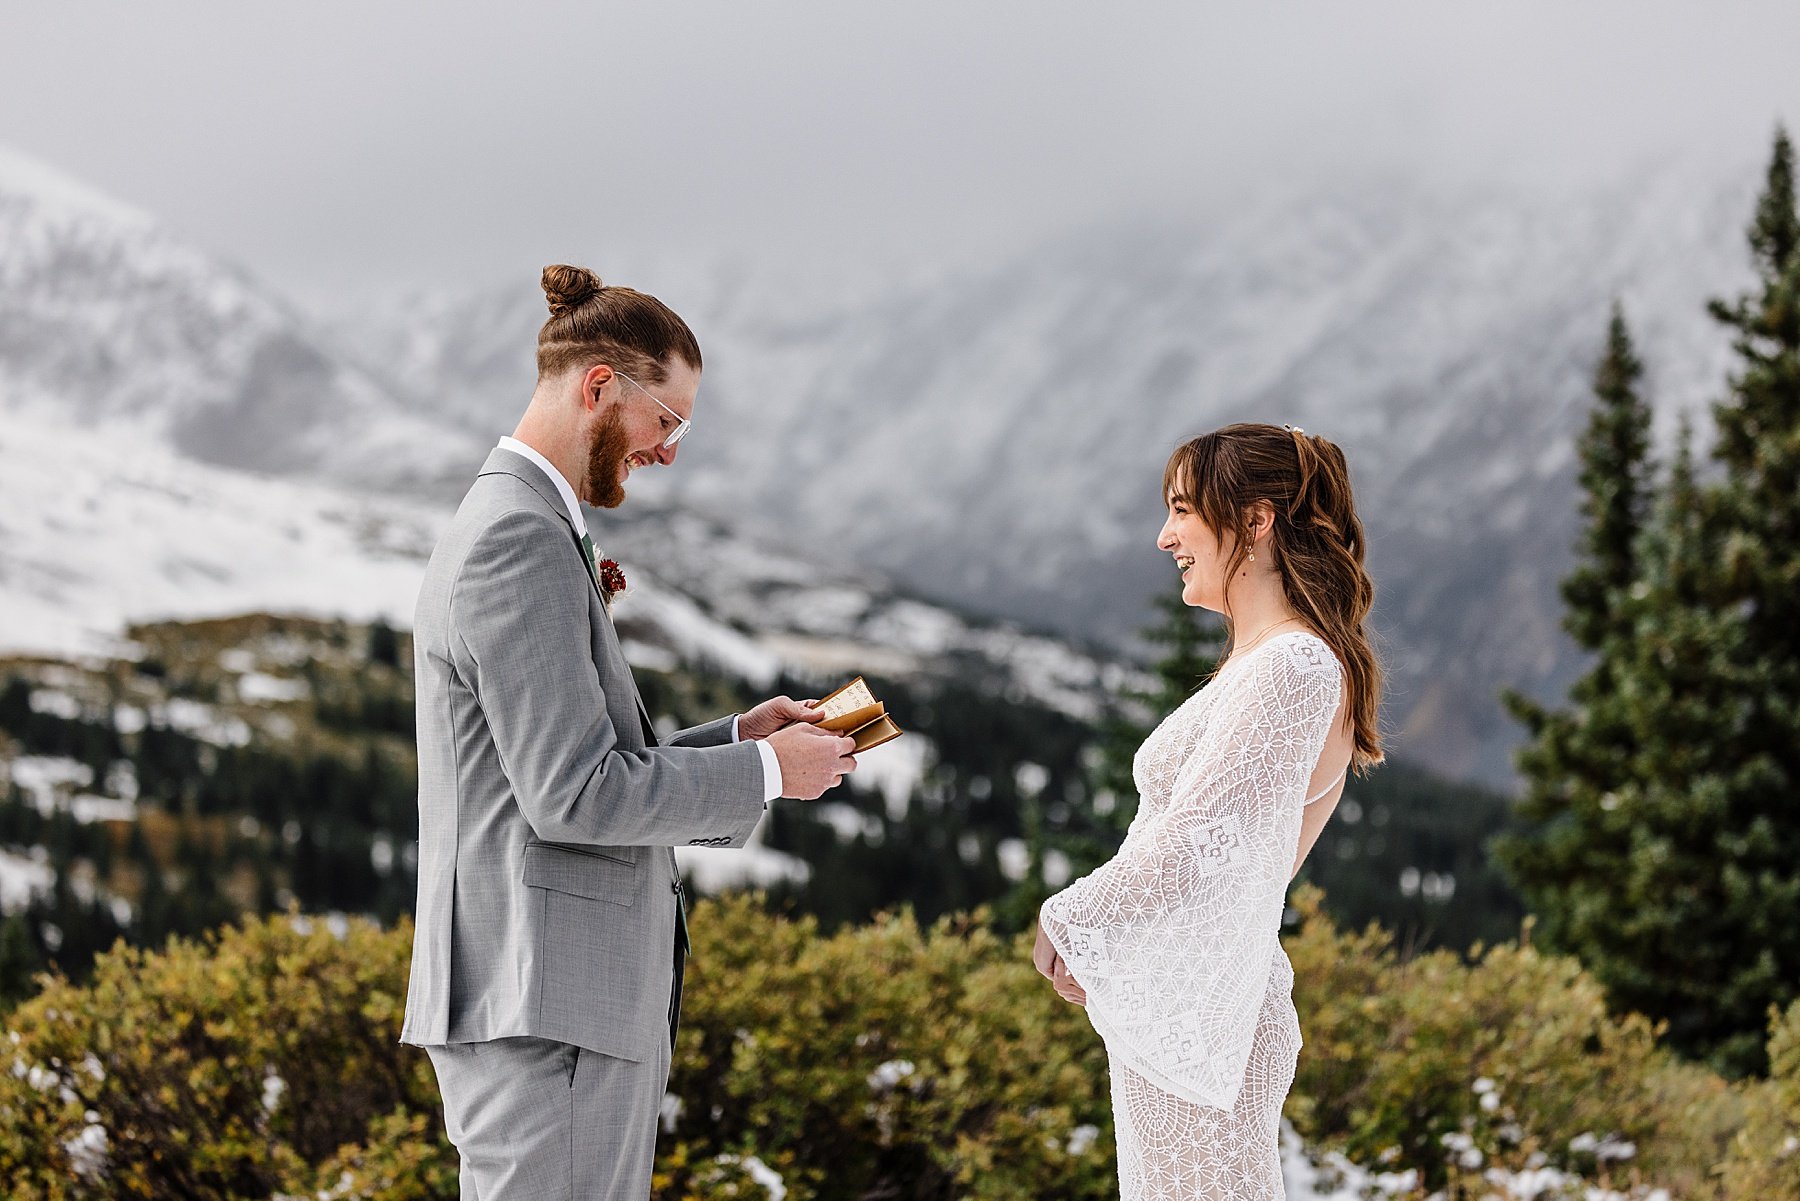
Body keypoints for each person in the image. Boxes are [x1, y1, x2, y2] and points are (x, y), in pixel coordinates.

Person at [400, 264, 857, 1200]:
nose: (669, 451)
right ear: (599, 385)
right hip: (545, 1005)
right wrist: (766, 771)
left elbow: (569, 764)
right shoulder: (515, 538)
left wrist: (739, 736)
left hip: (553, 999)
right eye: (669, 420)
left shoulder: (528, 522)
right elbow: (573, 796)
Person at [1034, 422, 1383, 1199]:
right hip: (1189, 1014)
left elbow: (1205, 838)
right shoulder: (1266, 662)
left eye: (1184, 510)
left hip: (1208, 1026)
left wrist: (1072, 915)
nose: (1165, 537)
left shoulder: (1293, 663)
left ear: (1255, 521)